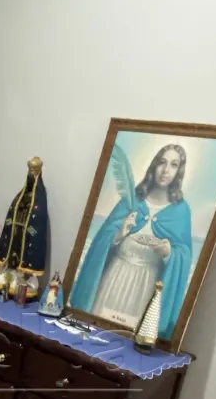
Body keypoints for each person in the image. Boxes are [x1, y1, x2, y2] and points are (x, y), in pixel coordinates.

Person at [70, 144, 193, 337]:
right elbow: (103, 237)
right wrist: (119, 234)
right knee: (97, 332)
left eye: (173, 165)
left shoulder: (180, 211)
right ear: (154, 165)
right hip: (116, 276)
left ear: (179, 171)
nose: (166, 170)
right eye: (162, 162)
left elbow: (184, 254)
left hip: (146, 285)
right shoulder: (134, 199)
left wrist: (169, 253)